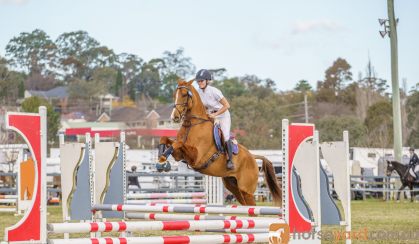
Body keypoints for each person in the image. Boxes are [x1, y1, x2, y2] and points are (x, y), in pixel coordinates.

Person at [195, 69, 234, 170]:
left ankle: (230, 160)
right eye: (198, 81)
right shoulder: (198, 92)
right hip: (210, 115)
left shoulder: (214, 91)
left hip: (223, 115)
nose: (200, 83)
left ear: (207, 81)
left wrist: (216, 114)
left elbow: (227, 105)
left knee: (225, 136)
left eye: (202, 81)